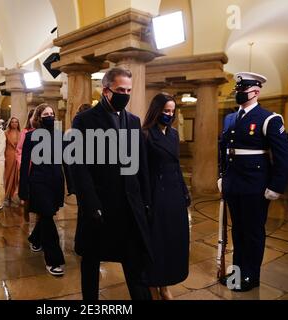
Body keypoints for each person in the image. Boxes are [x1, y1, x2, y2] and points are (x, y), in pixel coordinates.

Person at [70, 67, 152, 300]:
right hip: (99, 205)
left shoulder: (133, 121)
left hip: (128, 205)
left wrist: (146, 201)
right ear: (106, 91)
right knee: (92, 259)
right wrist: (90, 204)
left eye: (128, 90)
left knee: (134, 259)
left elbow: (141, 165)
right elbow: (79, 167)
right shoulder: (84, 120)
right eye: (120, 90)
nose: (125, 94)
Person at [218, 72, 288, 292]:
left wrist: (276, 186)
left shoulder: (269, 118)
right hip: (233, 183)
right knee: (237, 230)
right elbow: (224, 150)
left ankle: (251, 276)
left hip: (255, 185)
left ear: (256, 91)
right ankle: (238, 273)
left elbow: (283, 156)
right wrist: (222, 175)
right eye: (237, 90)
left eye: (243, 90)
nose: (239, 94)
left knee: (252, 232)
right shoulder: (231, 118)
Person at [142, 93, 191, 300]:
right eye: (166, 111)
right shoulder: (144, 135)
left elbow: (176, 166)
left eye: (172, 111)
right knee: (157, 243)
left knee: (173, 241)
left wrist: (184, 192)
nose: (169, 115)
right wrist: (145, 202)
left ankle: (165, 285)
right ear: (157, 111)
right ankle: (153, 285)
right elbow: (142, 172)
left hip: (174, 195)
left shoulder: (172, 134)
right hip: (155, 195)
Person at [19, 103, 66, 276]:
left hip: (55, 183)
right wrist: (23, 189)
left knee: (47, 215)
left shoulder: (60, 136)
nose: (50, 116)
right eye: (46, 114)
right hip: (38, 182)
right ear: (39, 117)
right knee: (47, 217)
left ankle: (35, 238)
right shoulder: (31, 136)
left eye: (51, 113)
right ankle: (53, 259)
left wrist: (73, 184)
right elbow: (25, 164)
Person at [4, 117, 21, 205]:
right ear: (10, 123)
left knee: (16, 176)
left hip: (17, 156)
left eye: (16, 122)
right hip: (9, 156)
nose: (14, 124)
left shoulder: (20, 134)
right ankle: (7, 195)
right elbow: (3, 146)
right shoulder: (5, 133)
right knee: (8, 175)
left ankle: (13, 195)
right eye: (13, 122)